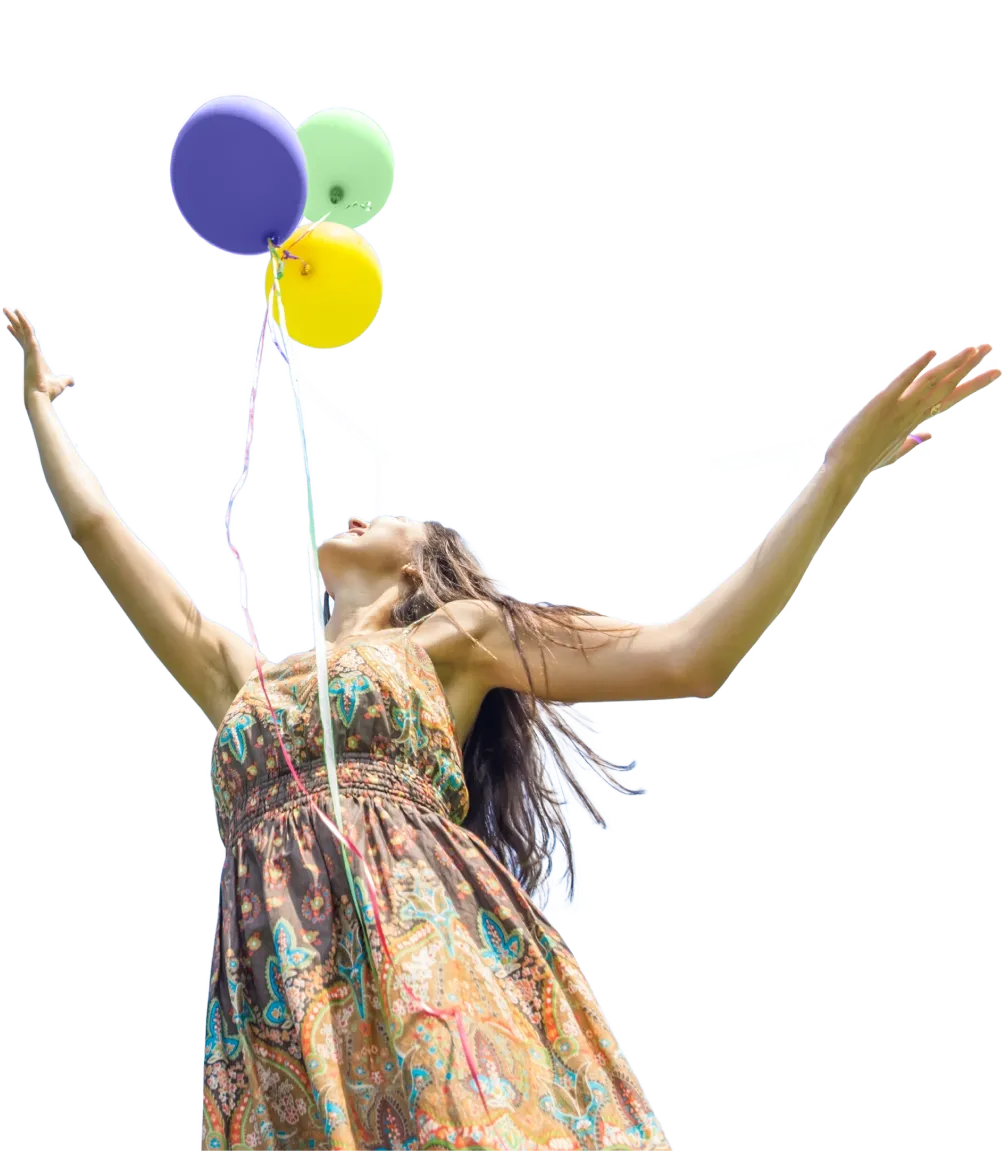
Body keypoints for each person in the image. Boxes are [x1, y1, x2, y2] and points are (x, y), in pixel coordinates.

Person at [9, 302, 999, 1151]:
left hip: (424, 953)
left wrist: (841, 467)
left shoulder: (456, 638)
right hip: (278, 994)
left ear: (414, 571)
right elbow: (102, 537)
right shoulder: (243, 678)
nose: (364, 513)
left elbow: (690, 654)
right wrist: (43, 412)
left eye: (393, 515)